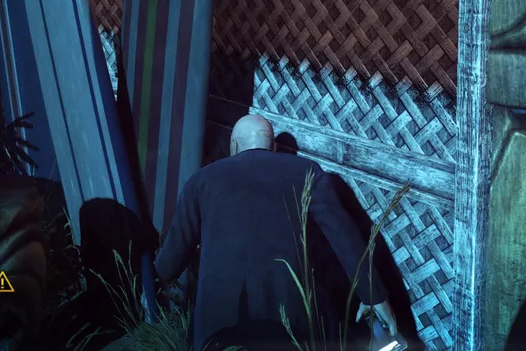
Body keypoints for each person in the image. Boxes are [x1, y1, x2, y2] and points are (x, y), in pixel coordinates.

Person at [154, 114, 398, 350]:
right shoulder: (308, 172)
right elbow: (344, 236)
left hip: (219, 321)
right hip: (292, 323)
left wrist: (152, 276)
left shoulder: (201, 180)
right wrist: (374, 295)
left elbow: (171, 260)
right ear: (273, 146)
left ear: (234, 145)